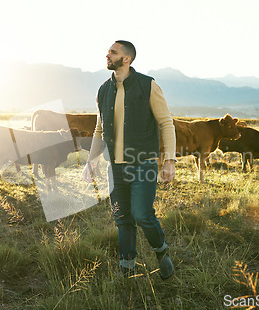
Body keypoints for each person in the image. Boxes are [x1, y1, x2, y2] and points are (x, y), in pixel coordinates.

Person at [82, 40, 176, 280]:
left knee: (142, 214)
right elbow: (98, 130)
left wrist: (169, 162)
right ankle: (127, 265)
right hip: (115, 167)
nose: (107, 54)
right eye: (108, 51)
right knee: (122, 216)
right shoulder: (103, 90)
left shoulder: (148, 85)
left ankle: (161, 251)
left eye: (112, 52)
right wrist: (91, 161)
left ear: (126, 59)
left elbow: (166, 123)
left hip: (143, 164)